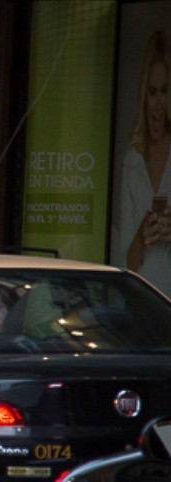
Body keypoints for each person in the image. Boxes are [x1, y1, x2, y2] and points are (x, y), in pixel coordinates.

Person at [121, 31, 171, 293]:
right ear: (144, 96)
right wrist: (141, 237)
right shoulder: (132, 163)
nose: (158, 105)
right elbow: (123, 264)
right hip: (142, 305)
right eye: (152, 92)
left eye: (165, 91)